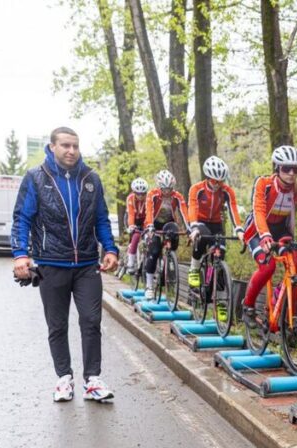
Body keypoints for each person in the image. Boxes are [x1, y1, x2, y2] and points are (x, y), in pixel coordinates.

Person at [11, 126, 119, 402]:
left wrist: (110, 248)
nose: (71, 151)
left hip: (86, 264)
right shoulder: (36, 178)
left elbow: (101, 219)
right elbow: (22, 218)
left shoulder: (91, 179)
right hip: (51, 263)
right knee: (57, 325)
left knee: (91, 320)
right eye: (65, 146)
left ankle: (92, 380)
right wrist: (20, 254)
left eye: (75, 146)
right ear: (52, 147)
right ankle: (64, 379)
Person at [237, 145, 297, 321]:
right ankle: (247, 306)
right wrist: (265, 235)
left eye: (296, 169)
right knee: (267, 267)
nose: (291, 173)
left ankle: (281, 308)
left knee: (295, 265)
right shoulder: (264, 184)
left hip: (281, 231)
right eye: (286, 168)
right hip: (257, 231)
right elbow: (259, 211)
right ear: (277, 168)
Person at [186, 156, 242, 321]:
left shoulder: (226, 191)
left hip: (217, 224)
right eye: (214, 180)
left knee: (220, 256)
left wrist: (238, 229)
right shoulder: (196, 189)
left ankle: (218, 300)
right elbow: (192, 208)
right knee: (201, 237)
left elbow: (233, 210)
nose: (218, 184)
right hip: (199, 222)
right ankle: (194, 271)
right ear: (207, 177)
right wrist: (194, 227)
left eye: (220, 181)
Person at [143, 169, 188, 298]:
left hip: (169, 223)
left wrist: (190, 227)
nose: (167, 192)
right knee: (154, 250)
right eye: (164, 189)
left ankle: (168, 262)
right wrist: (150, 226)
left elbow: (184, 212)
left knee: (173, 243)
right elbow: (149, 211)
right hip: (154, 224)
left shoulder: (177, 196)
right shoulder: (152, 194)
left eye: (169, 189)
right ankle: (149, 286)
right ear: (159, 187)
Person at [124, 177, 149, 273]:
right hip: (132, 219)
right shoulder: (130, 198)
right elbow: (130, 214)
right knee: (136, 235)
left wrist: (148, 226)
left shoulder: (149, 198)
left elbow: (149, 214)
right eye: (138, 194)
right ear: (134, 192)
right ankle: (130, 263)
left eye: (143, 193)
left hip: (144, 219)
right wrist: (131, 225)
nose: (141, 196)